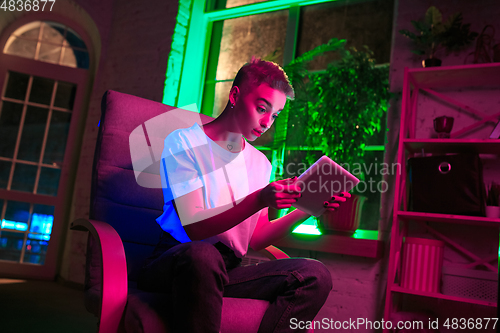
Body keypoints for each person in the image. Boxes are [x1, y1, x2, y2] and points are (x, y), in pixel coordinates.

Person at [138, 58, 349, 333]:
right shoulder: (184, 143)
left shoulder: (259, 163)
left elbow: (256, 238)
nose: (267, 123)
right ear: (235, 95)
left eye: (275, 115)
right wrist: (259, 199)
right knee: (203, 256)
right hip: (179, 260)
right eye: (262, 108)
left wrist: (306, 209)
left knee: (314, 275)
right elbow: (194, 227)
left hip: (228, 270)